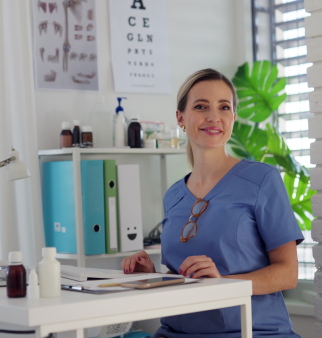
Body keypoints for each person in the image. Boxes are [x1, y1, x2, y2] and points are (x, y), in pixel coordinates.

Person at [121, 68, 304, 337]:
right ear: (180, 118)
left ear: (233, 117)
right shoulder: (173, 196)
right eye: (201, 106)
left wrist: (223, 284)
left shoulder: (262, 179)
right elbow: (185, 276)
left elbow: (288, 273)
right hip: (176, 332)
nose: (213, 117)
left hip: (251, 331)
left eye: (224, 107)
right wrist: (152, 275)